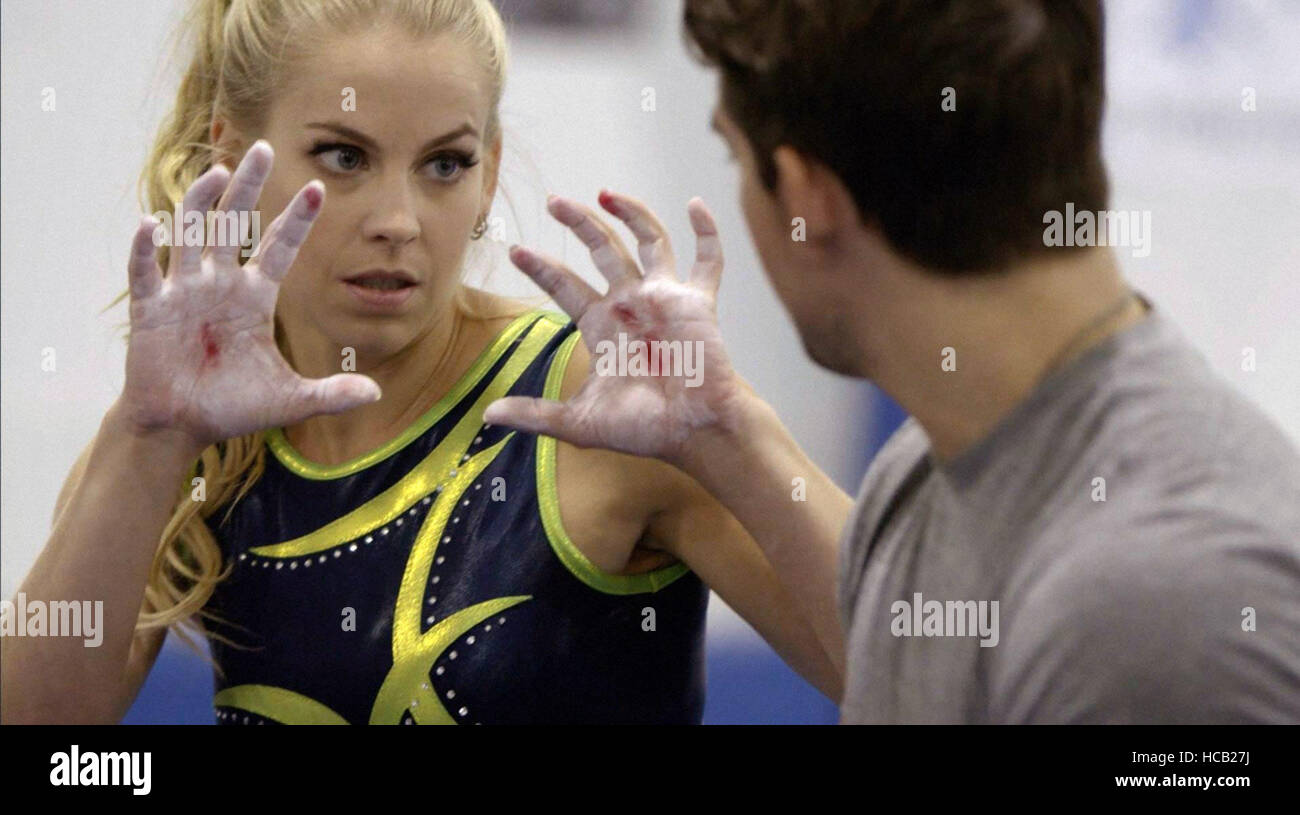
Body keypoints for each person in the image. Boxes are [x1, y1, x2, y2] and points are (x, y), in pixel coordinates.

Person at [0, 0, 840, 726]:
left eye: (445, 164)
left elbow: (916, 671)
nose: (399, 220)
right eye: (343, 156)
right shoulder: (191, 432)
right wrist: (148, 434)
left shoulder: (608, 408)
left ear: (491, 172)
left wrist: (736, 435)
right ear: (235, 161)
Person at [482, 0, 1300, 723]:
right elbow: (925, 662)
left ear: (805, 199)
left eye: (735, 158)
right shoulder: (946, 456)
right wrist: (718, 431)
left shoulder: (1165, 602)